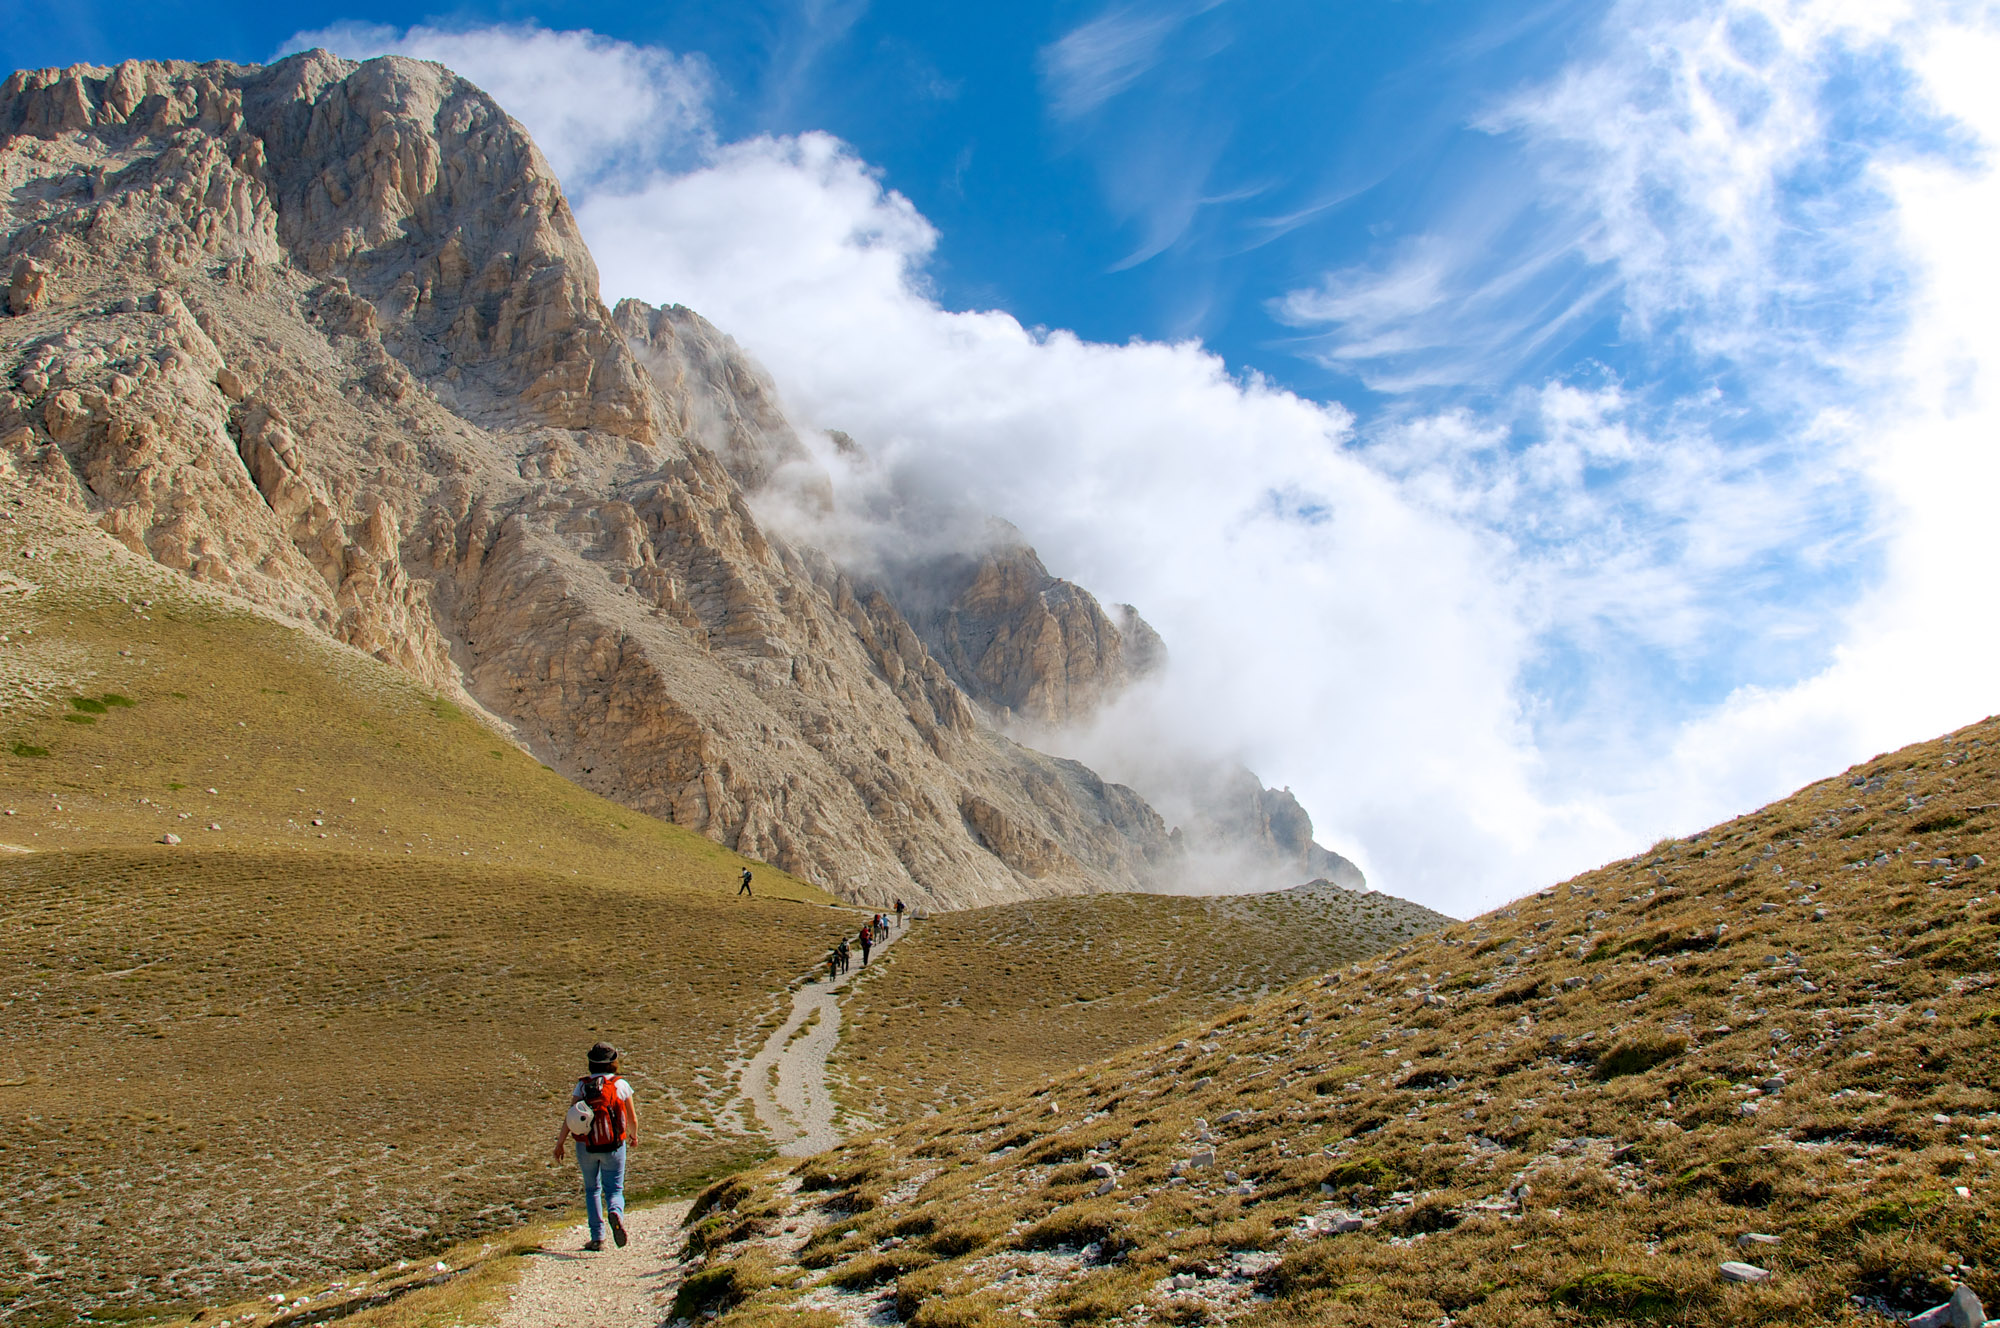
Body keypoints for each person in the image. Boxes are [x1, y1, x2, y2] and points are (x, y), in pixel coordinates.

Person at [552, 1041, 638, 1251]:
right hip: (614, 1145)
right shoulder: (620, 1085)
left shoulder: (582, 1085)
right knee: (615, 1189)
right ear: (613, 1062)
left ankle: (597, 1237)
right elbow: (632, 1119)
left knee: (592, 1189)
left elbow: (570, 1116)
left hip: (586, 1146)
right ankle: (616, 1212)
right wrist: (633, 1137)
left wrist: (560, 1142)